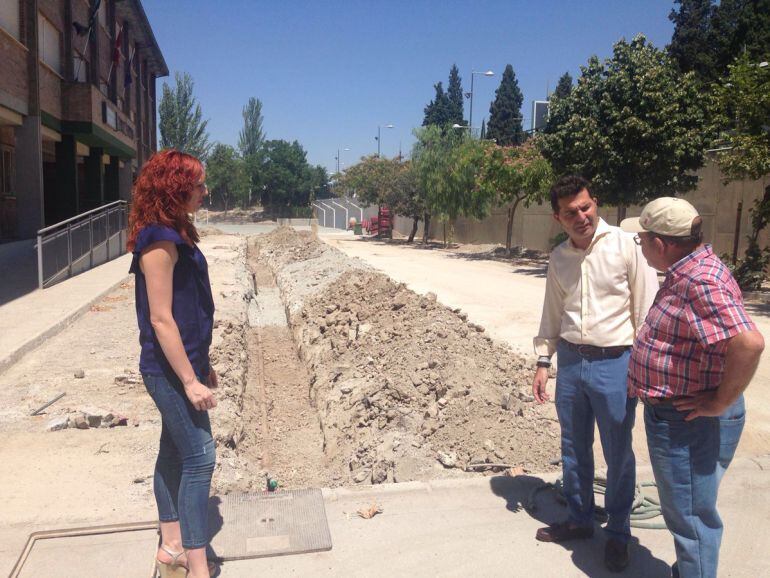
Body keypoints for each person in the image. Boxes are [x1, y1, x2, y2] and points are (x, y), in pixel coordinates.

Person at [621, 197, 764, 578]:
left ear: (661, 243)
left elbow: (749, 343)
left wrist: (719, 402)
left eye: (642, 240)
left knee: (690, 517)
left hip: (688, 422)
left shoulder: (699, 279)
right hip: (683, 419)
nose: (641, 247)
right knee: (691, 508)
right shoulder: (689, 271)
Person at [532, 175, 659, 572]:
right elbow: (552, 311)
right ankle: (581, 518)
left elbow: (647, 309)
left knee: (618, 454)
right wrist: (542, 360)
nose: (581, 216)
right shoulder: (559, 257)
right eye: (570, 212)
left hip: (615, 363)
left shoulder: (626, 246)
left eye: (585, 207)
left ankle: (619, 534)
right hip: (570, 362)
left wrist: (643, 364)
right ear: (558, 218)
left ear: (595, 203)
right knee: (573, 446)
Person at [127, 149, 218, 578]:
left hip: (185, 364)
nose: (205, 191)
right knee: (200, 457)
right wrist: (189, 380)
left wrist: (203, 364)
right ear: (176, 187)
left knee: (173, 454)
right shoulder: (157, 239)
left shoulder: (174, 231)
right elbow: (162, 318)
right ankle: (197, 567)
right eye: (199, 184)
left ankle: (171, 548)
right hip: (166, 371)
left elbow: (190, 308)